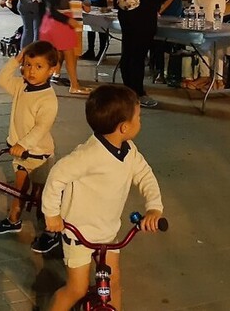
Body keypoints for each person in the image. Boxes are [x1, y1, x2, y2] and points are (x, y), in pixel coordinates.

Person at [41, 85, 165, 311]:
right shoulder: (89, 155)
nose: (140, 121)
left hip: (107, 233)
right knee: (76, 289)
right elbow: (57, 176)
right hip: (79, 233)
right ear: (124, 127)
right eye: (138, 117)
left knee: (114, 283)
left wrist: (154, 208)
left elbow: (145, 175)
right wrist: (52, 214)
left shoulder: (129, 149)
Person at [0, 41, 62, 254]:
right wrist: (16, 59)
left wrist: (23, 144)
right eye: (28, 65)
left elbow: (41, 128)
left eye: (39, 67)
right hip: (20, 153)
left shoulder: (48, 99)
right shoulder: (21, 86)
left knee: (42, 199)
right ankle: (13, 220)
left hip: (40, 155)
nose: (31, 71)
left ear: (52, 70)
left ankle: (51, 232)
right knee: (18, 190)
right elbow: (1, 79)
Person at [113, 0, 171, 108]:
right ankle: (137, 92)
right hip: (144, 13)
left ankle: (127, 89)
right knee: (139, 54)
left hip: (126, 12)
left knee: (128, 50)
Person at [40, 0, 91, 96]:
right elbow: (52, 10)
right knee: (68, 56)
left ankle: (70, 84)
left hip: (56, 24)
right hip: (60, 24)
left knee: (60, 56)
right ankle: (74, 85)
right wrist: (68, 20)